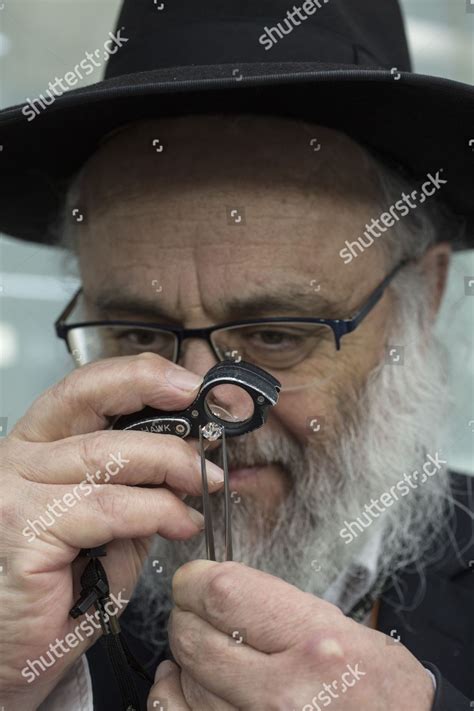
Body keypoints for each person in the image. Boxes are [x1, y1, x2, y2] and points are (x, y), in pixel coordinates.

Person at [0, 2, 472, 710]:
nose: (201, 406)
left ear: (423, 297)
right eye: (138, 333)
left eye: (277, 334)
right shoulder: (23, 585)